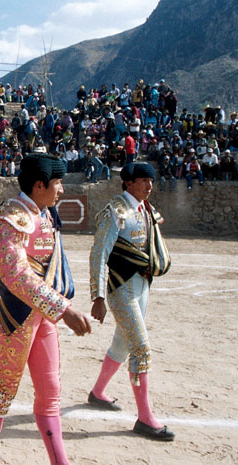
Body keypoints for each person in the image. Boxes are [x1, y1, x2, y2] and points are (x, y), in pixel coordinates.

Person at [0, 153, 101, 465]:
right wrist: (64, 309)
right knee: (3, 389)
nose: (61, 190)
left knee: (50, 391)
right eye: (57, 183)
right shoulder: (7, 219)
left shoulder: (43, 214)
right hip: (18, 317)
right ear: (39, 184)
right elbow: (15, 276)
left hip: (42, 316)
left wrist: (58, 309)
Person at [86, 162, 174, 441]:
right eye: (143, 181)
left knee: (122, 345)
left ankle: (98, 392)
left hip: (142, 286)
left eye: (151, 180)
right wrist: (98, 296)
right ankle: (145, 418)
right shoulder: (116, 211)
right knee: (141, 348)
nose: (149, 186)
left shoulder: (146, 210)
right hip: (121, 288)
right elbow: (99, 254)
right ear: (128, 183)